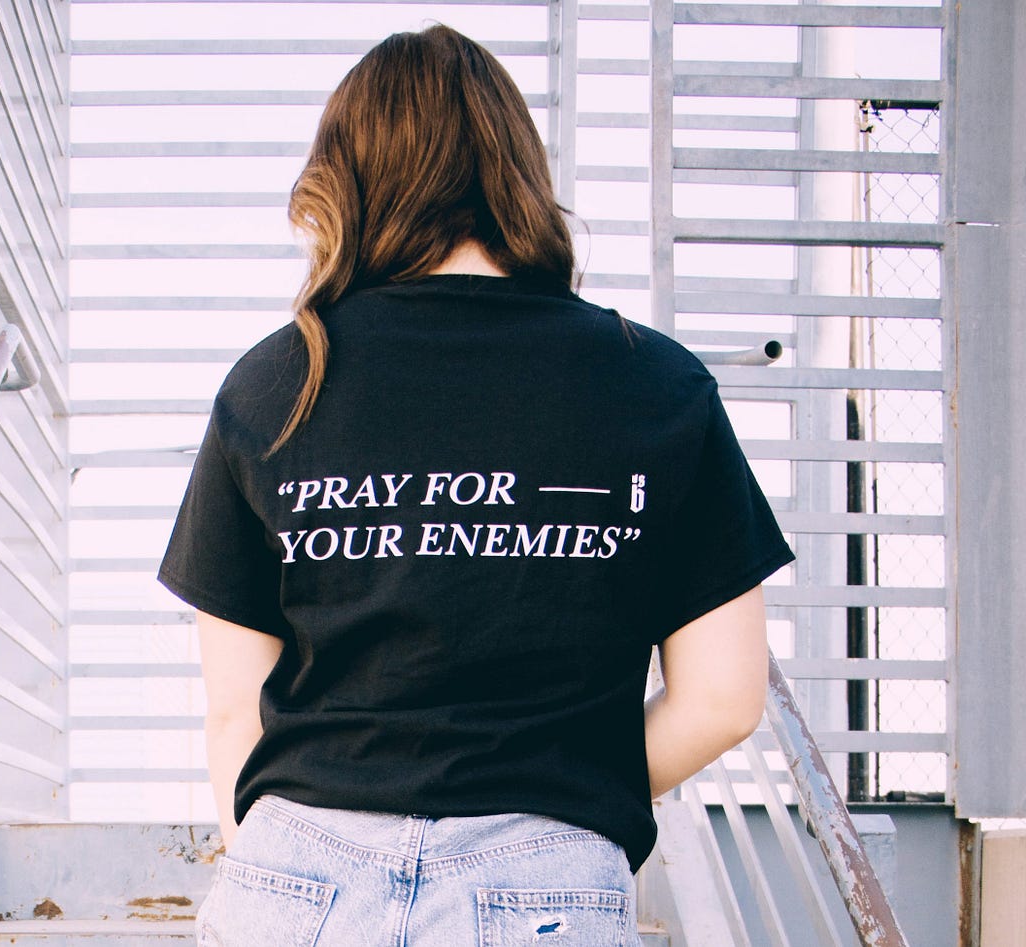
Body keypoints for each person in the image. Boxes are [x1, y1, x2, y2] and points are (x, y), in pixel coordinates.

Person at [157, 21, 795, 947]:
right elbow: (727, 697)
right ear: (514, 171)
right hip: (544, 884)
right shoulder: (657, 386)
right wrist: (564, 784)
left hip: (298, 875)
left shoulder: (275, 383)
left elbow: (232, 709)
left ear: (344, 179)